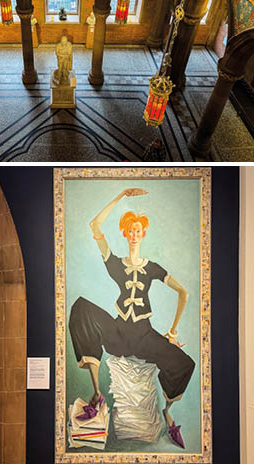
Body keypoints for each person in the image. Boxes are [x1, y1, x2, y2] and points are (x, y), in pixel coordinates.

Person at [69, 188, 194, 449]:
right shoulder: (115, 263)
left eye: (139, 230)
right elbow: (94, 224)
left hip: (145, 336)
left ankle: (168, 412)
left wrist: (172, 331)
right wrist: (121, 195)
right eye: (130, 230)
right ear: (125, 233)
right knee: (80, 308)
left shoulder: (152, 268)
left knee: (185, 364)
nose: (135, 234)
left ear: (143, 233)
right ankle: (96, 392)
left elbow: (184, 293)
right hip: (118, 333)